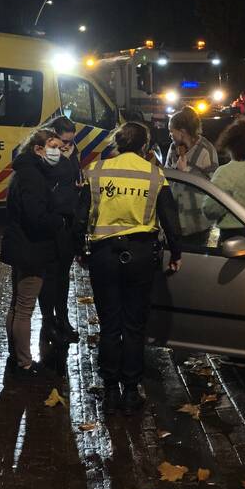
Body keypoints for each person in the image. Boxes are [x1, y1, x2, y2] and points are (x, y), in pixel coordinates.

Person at [77, 122, 182, 415]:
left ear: (118, 143)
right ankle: (132, 390)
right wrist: (177, 252)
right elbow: (170, 218)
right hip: (140, 255)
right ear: (145, 146)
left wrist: (80, 251)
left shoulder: (96, 171)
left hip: (104, 256)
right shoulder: (154, 174)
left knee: (109, 325)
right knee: (134, 326)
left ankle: (110, 390)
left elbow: (79, 215)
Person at [0, 128, 67, 377]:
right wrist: (58, 221)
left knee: (17, 305)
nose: (58, 152)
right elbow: (35, 217)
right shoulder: (32, 176)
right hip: (31, 248)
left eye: (60, 147)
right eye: (53, 146)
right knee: (24, 307)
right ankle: (24, 362)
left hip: (20, 246)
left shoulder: (27, 171)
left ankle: (15, 355)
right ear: (38, 149)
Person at [39, 116, 82, 344]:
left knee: (63, 276)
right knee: (49, 276)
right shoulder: (46, 156)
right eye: (64, 141)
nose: (67, 146)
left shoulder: (72, 154)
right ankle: (49, 322)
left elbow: (73, 178)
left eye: (71, 142)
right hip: (51, 225)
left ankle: (63, 318)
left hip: (67, 223)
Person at [164, 106, 219, 245]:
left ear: (182, 132)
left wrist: (187, 171)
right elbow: (166, 175)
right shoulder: (173, 148)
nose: (170, 135)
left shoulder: (206, 150)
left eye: (172, 132)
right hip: (175, 219)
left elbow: (213, 184)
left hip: (197, 222)